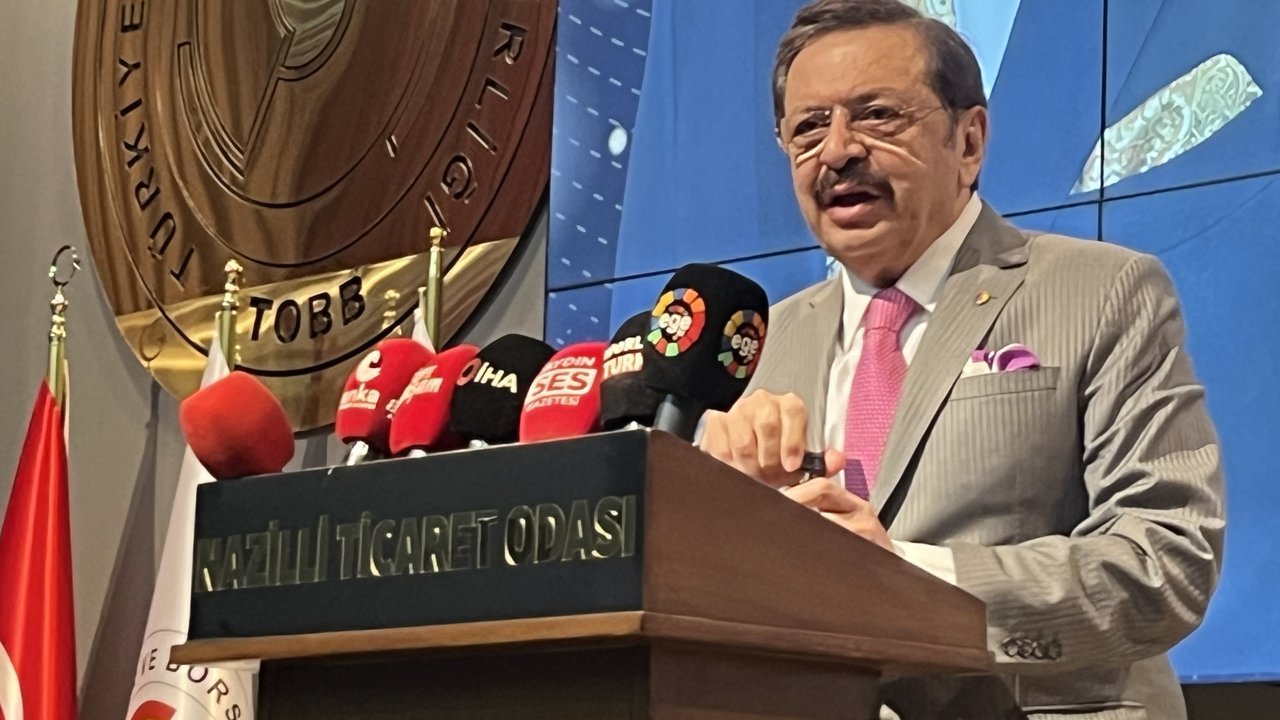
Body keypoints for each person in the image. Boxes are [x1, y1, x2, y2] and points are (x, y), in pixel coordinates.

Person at [696, 1, 1226, 717]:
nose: (838, 151)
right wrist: (731, 519)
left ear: (969, 140)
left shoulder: (1103, 290)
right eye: (809, 128)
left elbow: (1168, 559)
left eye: (877, 115)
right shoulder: (763, 342)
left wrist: (904, 581)